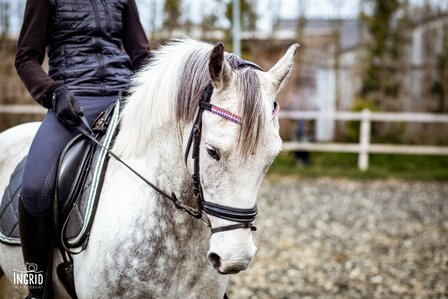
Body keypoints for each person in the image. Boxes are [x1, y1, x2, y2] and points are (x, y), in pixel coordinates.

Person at [15, 0, 150, 297]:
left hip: (126, 97)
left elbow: (141, 54)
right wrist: (53, 94)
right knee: (36, 187)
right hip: (72, 100)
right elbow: (26, 58)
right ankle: (38, 289)